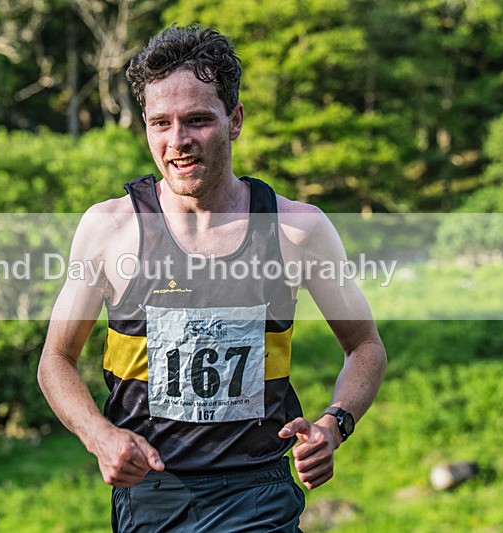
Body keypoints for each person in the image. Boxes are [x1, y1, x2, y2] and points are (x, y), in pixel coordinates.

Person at [38, 24, 387, 532]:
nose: (177, 142)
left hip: (258, 491)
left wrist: (335, 423)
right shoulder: (108, 229)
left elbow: (365, 346)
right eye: (161, 123)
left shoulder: (296, 229)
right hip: (151, 492)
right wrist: (100, 435)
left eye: (197, 120)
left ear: (235, 120)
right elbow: (55, 360)